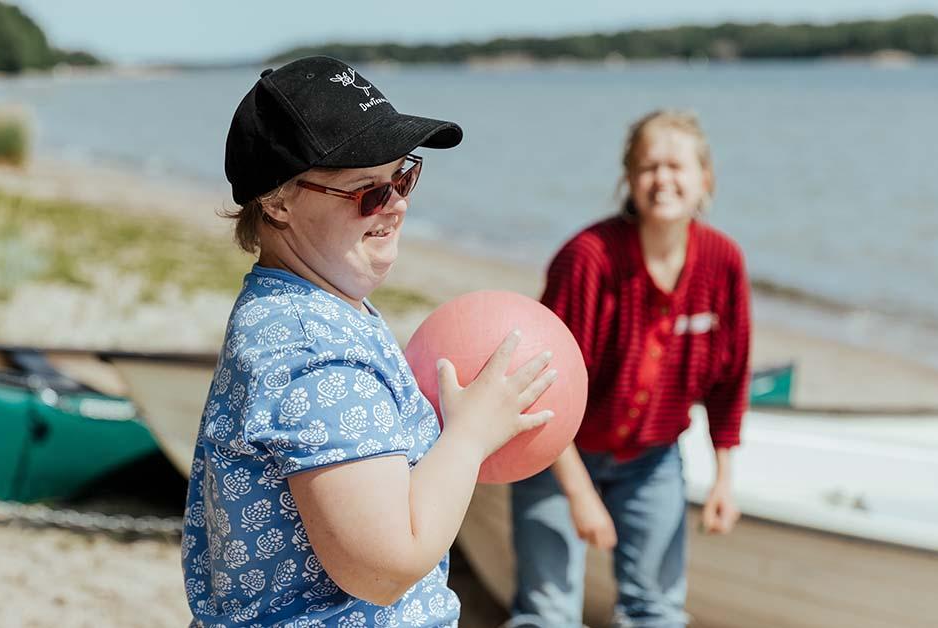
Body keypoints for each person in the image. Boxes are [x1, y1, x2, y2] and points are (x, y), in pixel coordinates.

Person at [182, 56, 559, 627]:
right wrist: (470, 434)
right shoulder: (312, 349)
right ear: (277, 202)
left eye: (403, 176)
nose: (397, 204)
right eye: (367, 192)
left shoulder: (305, 310)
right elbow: (383, 566)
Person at [506, 110, 751, 628]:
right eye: (648, 167)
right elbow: (542, 390)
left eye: (676, 166)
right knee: (548, 615)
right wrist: (581, 496)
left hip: (652, 460)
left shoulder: (723, 262)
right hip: (556, 453)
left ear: (705, 178)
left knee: (657, 612)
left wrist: (725, 479)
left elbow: (731, 382)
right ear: (628, 180)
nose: (663, 180)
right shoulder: (588, 259)